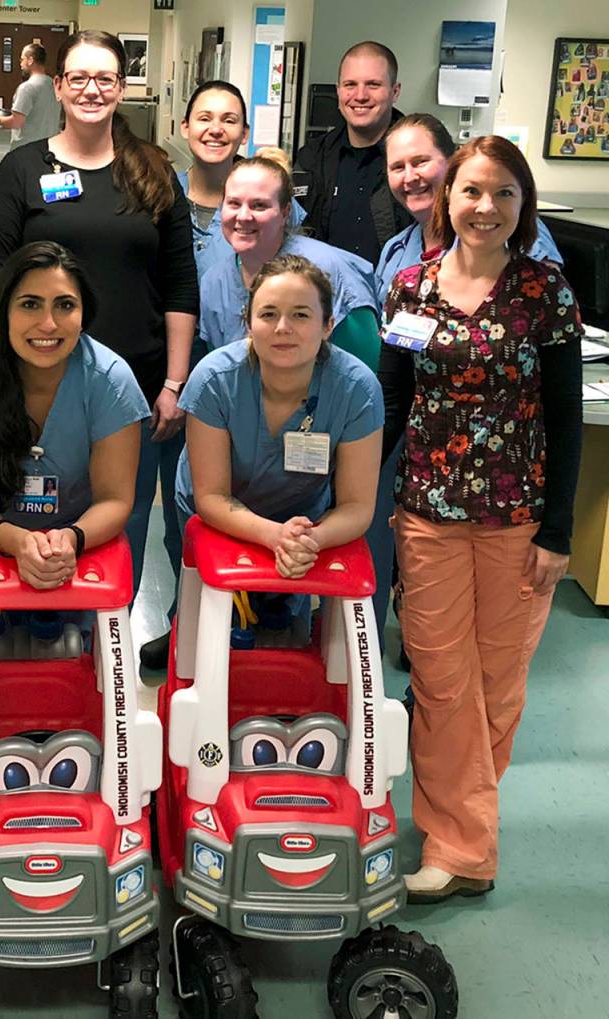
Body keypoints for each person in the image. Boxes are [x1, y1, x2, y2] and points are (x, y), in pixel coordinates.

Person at [379, 136, 583, 902]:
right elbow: (394, 401)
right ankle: (462, 844)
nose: (486, 208)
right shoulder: (411, 289)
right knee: (440, 677)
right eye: (471, 191)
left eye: (503, 193)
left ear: (522, 205)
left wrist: (559, 531)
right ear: (445, 199)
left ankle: (459, 818)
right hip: (428, 513)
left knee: (497, 683)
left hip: (517, 521)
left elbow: (565, 419)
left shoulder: (544, 293)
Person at [0, 30, 198, 658]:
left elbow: (180, 285)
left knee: (115, 527)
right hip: (31, 394)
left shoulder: (153, 173)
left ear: (121, 88)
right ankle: (22, 660)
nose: (92, 89)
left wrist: (174, 383)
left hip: (134, 398)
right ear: (61, 86)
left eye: (106, 78)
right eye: (79, 78)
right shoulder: (23, 169)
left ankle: (103, 666)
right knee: (28, 527)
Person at [0, 241, 148, 583]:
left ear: (83, 314)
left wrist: (69, 540)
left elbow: (115, 500)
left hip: (79, 540)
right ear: (4, 310)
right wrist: (17, 542)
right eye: (30, 304)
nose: (48, 324)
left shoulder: (110, 380)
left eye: (65, 305)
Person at [177, 253, 382, 599]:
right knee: (215, 624)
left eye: (301, 315)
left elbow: (357, 507)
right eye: (268, 314)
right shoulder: (215, 380)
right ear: (248, 322)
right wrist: (273, 536)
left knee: (286, 627)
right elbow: (211, 496)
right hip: (222, 519)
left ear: (328, 325)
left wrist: (309, 539)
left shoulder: (356, 389)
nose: (283, 327)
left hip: (307, 527)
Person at [199, 155, 379, 359]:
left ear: (285, 212)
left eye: (259, 205)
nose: (243, 216)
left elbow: (365, 368)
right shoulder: (214, 282)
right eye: (233, 203)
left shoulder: (330, 269)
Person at [377, 113, 563, 300]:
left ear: (453, 163)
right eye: (398, 167)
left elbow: (548, 304)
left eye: (421, 162)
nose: (410, 177)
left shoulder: (502, 227)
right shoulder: (395, 251)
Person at [295, 41, 413, 263]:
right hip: (325, 292)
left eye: (373, 85)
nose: (360, 95)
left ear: (395, 91)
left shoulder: (418, 160)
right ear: (338, 90)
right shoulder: (312, 158)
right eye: (350, 85)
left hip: (396, 292)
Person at [177, 81, 307, 282]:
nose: (216, 129)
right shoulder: (162, 193)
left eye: (229, 121)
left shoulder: (272, 201)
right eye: (204, 118)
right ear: (185, 127)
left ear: (245, 134)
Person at [0, 43, 61, 150]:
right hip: (50, 149)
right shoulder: (54, 85)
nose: (20, 64)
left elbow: (16, 122)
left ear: (30, 60)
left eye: (22, 59)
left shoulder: (27, 88)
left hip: (26, 151)